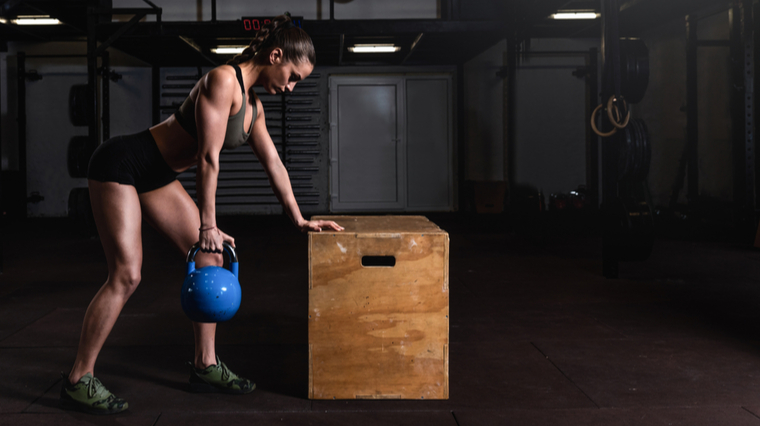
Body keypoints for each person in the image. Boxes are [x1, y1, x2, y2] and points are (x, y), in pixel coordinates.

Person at [60, 14, 344, 415]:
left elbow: (275, 164)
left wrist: (299, 218)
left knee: (211, 259)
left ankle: (204, 365)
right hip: (121, 165)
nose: (292, 87)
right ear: (276, 55)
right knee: (127, 274)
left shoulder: (254, 108)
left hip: (157, 174)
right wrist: (207, 225)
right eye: (293, 75)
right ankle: (77, 379)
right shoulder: (222, 81)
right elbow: (208, 159)